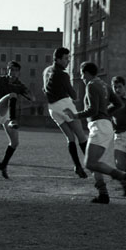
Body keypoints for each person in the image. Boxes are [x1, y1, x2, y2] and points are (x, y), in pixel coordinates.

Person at [63, 62, 126, 204]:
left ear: (87, 73)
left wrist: (75, 115)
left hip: (99, 126)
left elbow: (93, 110)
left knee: (90, 163)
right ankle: (103, 194)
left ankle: (121, 177)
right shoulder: (104, 85)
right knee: (94, 163)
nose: (82, 77)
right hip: (104, 125)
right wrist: (105, 113)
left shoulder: (91, 85)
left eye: (82, 74)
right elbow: (119, 104)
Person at [42, 46, 88, 178]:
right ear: (58, 59)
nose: (68, 61)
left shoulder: (47, 71)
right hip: (64, 105)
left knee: (70, 138)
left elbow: (44, 89)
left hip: (52, 108)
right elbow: (73, 95)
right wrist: (75, 93)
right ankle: (93, 165)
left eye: (68, 58)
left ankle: (77, 166)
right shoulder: (63, 74)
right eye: (66, 58)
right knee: (81, 136)